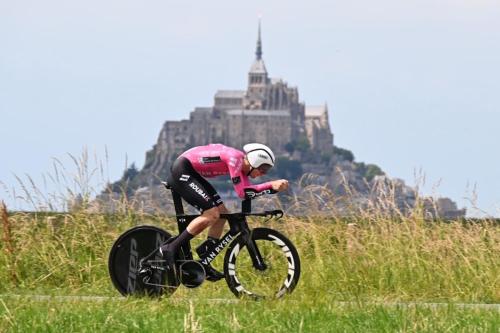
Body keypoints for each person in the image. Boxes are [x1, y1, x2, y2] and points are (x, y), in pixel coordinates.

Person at [152, 143, 289, 281]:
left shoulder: (242, 166)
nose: (264, 173)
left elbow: (247, 192)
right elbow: (243, 193)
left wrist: (271, 188)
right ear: (255, 161)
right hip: (183, 169)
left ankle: (205, 258)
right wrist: (271, 186)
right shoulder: (234, 159)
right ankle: (170, 248)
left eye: (267, 170)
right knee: (212, 214)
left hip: (191, 171)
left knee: (223, 214)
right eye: (263, 168)